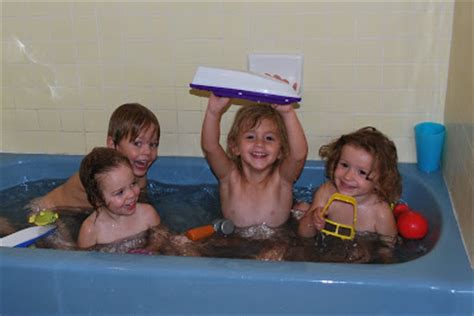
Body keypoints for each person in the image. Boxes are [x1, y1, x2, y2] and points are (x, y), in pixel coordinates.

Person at [201, 92, 308, 260]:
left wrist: (287, 112)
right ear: (235, 146)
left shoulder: (282, 180)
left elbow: (298, 155)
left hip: (276, 244)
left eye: (269, 138)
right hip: (233, 242)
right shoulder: (230, 177)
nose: (260, 144)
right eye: (250, 137)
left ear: (281, 151)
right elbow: (210, 147)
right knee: (182, 244)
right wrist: (213, 112)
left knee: (288, 251)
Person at [27, 103, 160, 215]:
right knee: (66, 246)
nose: (147, 152)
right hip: (47, 211)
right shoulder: (98, 172)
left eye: (153, 144)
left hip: (83, 212)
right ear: (112, 144)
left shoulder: (138, 171)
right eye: (137, 143)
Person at [297, 126, 401, 249]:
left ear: (380, 181)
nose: (348, 176)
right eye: (344, 165)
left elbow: (388, 251)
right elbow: (303, 235)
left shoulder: (380, 213)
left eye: (362, 172)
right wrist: (312, 219)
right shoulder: (326, 192)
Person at [77, 147, 163, 253]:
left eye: (133, 184)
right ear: (98, 199)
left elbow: (162, 241)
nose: (131, 194)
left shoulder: (148, 215)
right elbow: (85, 265)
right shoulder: (91, 231)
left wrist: (150, 249)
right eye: (120, 192)